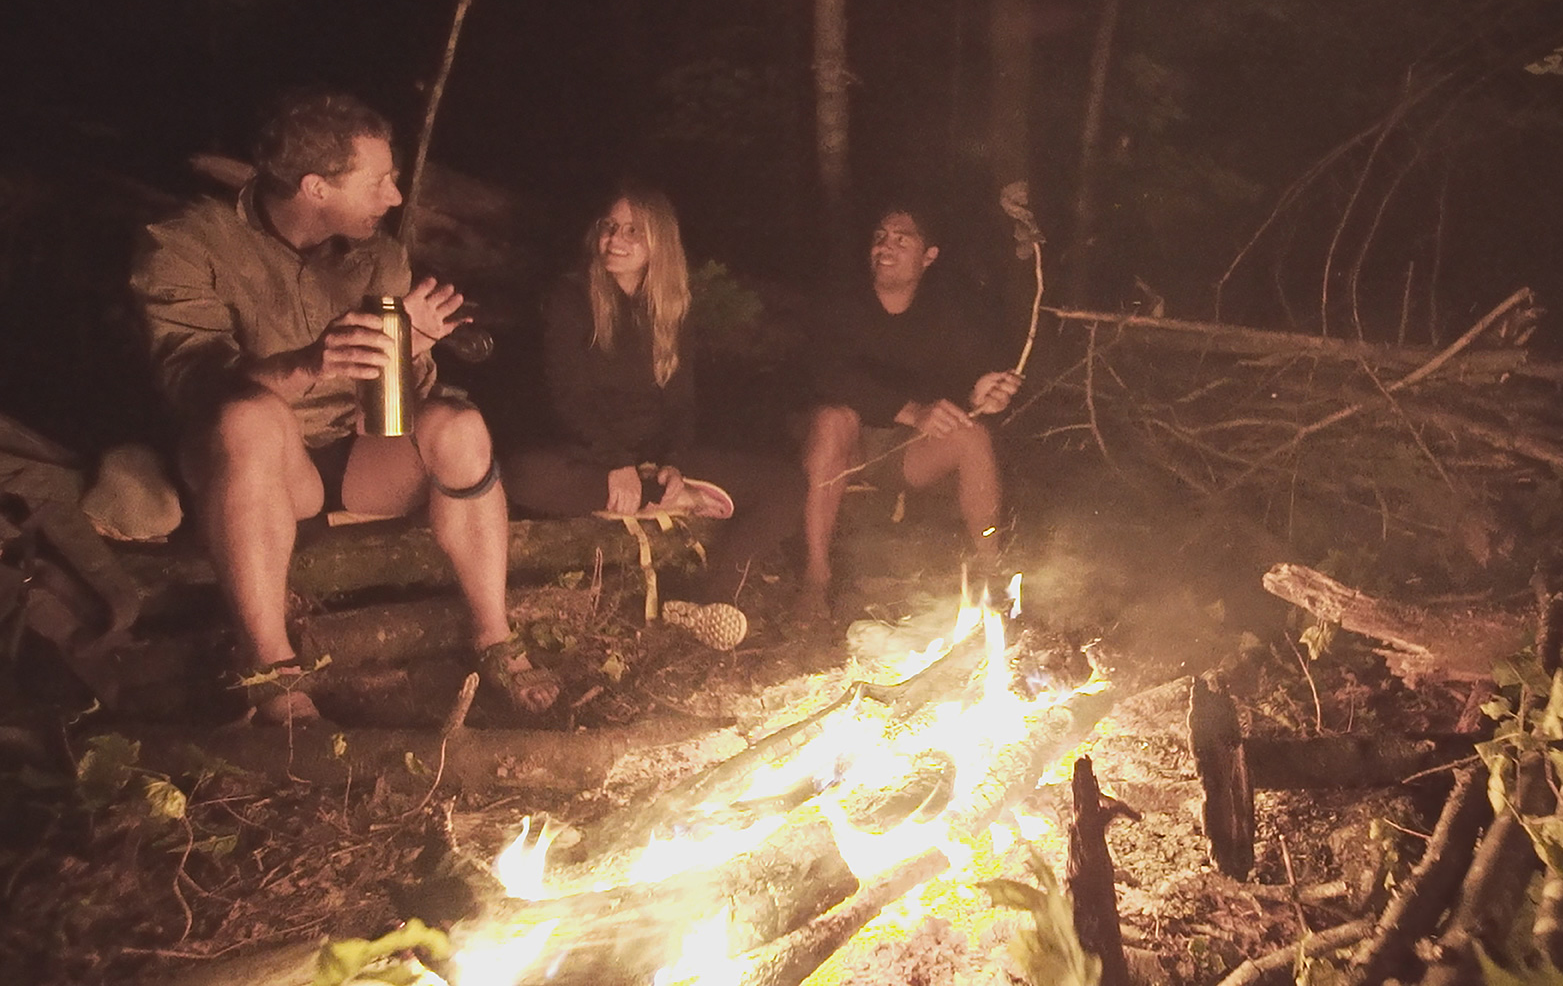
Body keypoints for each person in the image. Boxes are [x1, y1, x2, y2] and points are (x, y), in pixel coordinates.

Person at [131, 88, 556, 723]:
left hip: (353, 460)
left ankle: (493, 638)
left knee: (460, 427)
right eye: (380, 181)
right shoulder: (190, 244)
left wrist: (415, 346)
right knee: (251, 417)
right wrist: (308, 363)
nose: (395, 197)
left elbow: (399, 404)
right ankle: (272, 672)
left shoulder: (379, 256)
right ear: (316, 188)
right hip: (253, 464)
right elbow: (192, 385)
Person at [502, 187, 799, 645]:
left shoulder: (672, 308)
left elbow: (683, 402)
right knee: (522, 474)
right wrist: (616, 462)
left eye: (633, 232)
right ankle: (661, 497)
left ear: (658, 243)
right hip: (594, 459)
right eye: (609, 227)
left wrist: (675, 464)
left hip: (658, 462)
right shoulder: (571, 299)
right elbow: (568, 395)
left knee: (787, 484)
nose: (615, 239)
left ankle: (713, 597)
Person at [796, 205, 1023, 624]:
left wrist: (982, 395)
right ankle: (816, 577)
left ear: (929, 256)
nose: (886, 246)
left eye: (903, 239)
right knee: (835, 419)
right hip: (833, 445)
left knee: (972, 436)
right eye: (881, 236)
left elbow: (958, 390)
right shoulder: (842, 301)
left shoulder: (946, 315)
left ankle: (993, 571)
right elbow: (829, 374)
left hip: (896, 452)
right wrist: (913, 412)